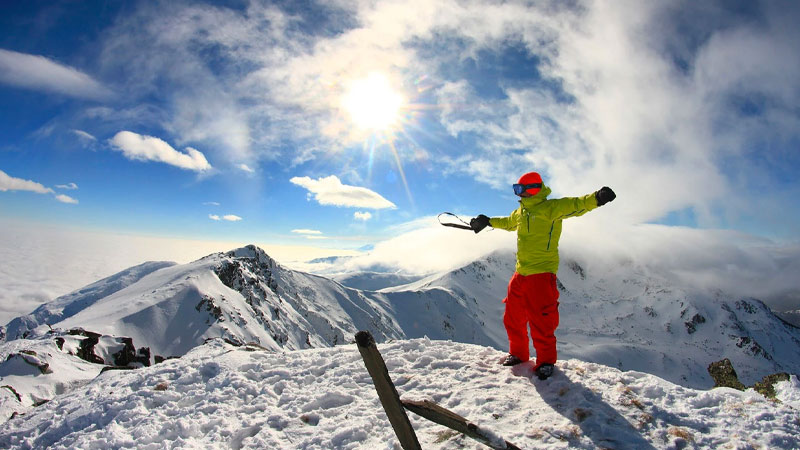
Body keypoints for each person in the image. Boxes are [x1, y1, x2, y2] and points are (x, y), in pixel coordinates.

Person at [470, 171, 616, 380]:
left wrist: (597, 198)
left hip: (541, 274)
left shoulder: (551, 208)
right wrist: (487, 221)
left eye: (520, 190)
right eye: (515, 189)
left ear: (533, 190)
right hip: (521, 272)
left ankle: (546, 361)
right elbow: (507, 223)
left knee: (542, 320)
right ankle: (519, 354)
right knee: (513, 317)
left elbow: (576, 205)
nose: (517, 194)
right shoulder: (521, 213)